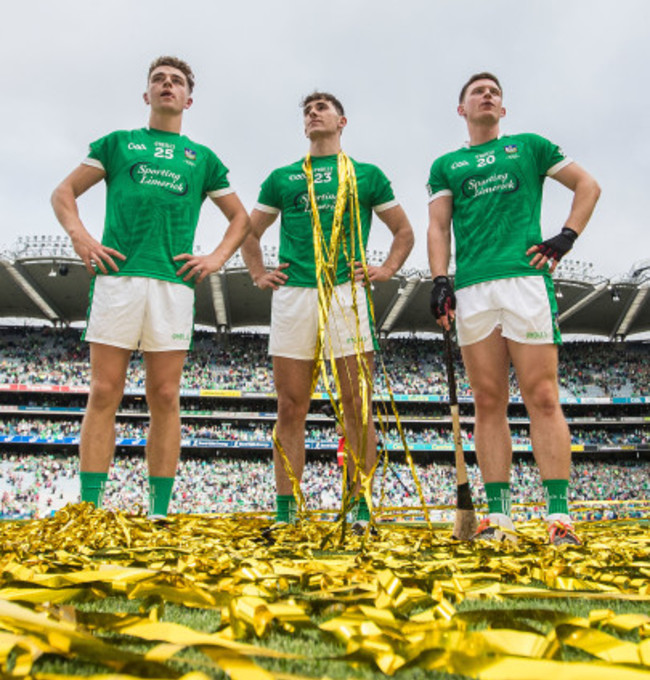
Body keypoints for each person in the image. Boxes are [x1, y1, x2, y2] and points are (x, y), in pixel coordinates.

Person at [51, 56, 250, 516]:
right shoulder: (117, 144)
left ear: (188, 99)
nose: (167, 85)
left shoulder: (202, 159)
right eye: (159, 80)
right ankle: (89, 509)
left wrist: (217, 257)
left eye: (176, 81)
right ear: (146, 95)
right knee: (104, 391)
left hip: (173, 284)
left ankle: (158, 511)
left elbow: (240, 218)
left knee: (164, 395)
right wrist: (82, 238)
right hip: (117, 277)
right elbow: (63, 193)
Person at [427, 72, 600, 545]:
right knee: (488, 401)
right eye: (477, 92)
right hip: (475, 288)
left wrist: (565, 237)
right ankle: (497, 516)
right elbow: (438, 227)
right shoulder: (446, 165)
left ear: (502, 110)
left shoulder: (530, 146)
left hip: (525, 280)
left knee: (542, 396)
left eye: (495, 92)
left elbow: (588, 186)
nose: (487, 95)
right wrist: (440, 279)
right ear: (461, 109)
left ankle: (559, 516)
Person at [241, 92, 414, 530]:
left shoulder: (366, 175)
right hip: (294, 293)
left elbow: (404, 231)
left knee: (357, 406)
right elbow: (249, 231)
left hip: (346, 293)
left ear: (342, 121)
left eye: (322, 108)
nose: (313, 113)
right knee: (290, 405)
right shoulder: (282, 177)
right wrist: (259, 272)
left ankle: (360, 507)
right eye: (307, 110)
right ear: (304, 126)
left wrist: (387, 268)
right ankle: (288, 512)